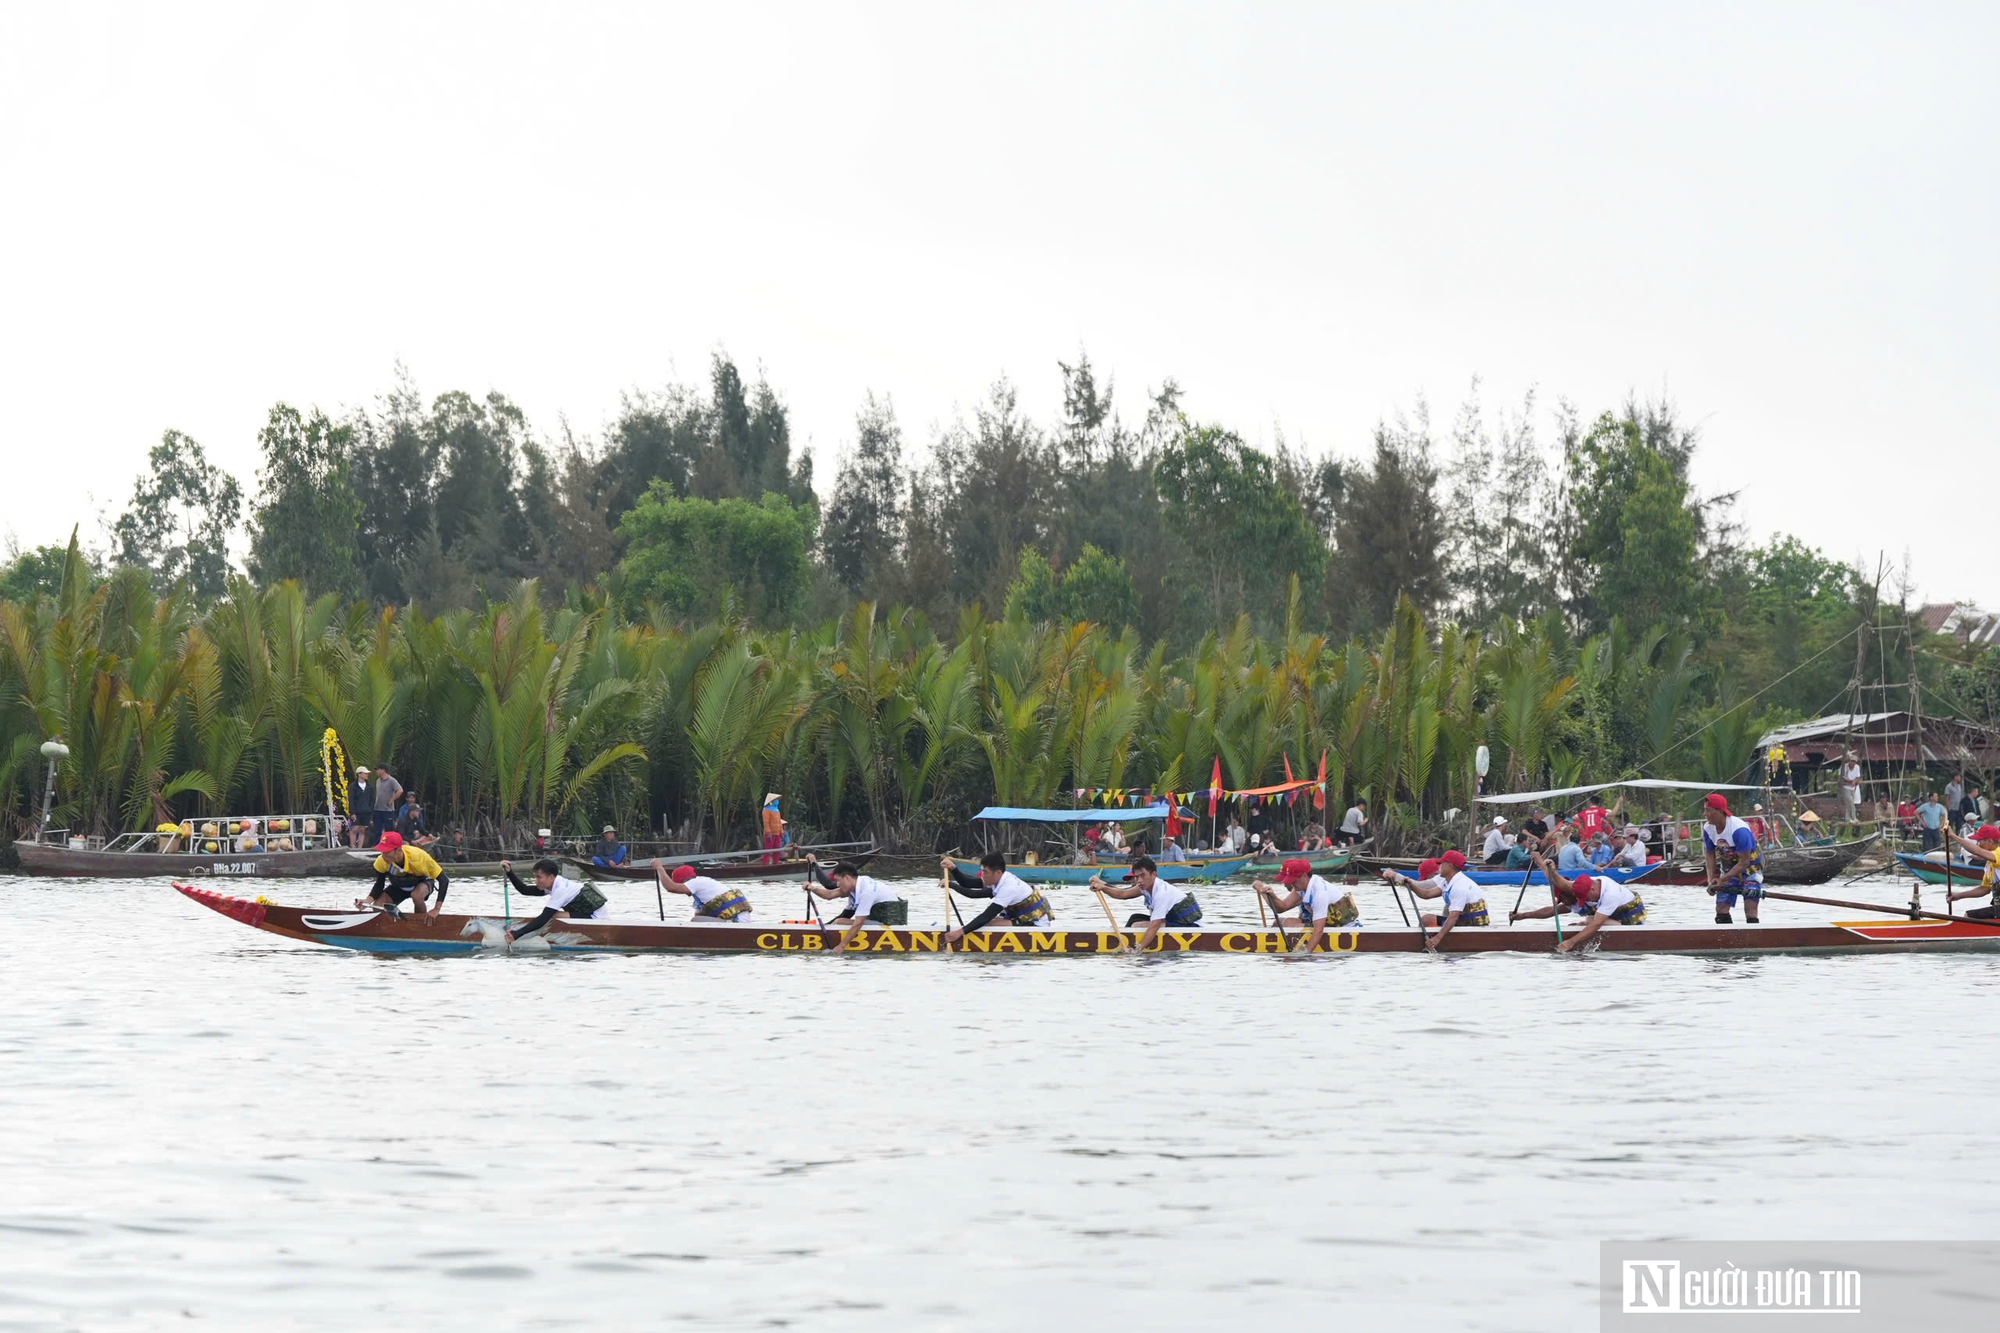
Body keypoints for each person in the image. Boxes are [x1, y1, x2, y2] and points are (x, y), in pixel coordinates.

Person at [1513, 857, 1646, 951]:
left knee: (1589, 920)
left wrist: (1571, 942)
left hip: (1631, 922)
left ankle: (1587, 924)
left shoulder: (1610, 894)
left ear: (1592, 890)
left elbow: (1596, 924)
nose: (1563, 902)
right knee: (1589, 919)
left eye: (1563, 899)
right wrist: (1520, 916)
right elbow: (1552, 908)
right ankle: (1583, 924)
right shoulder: (1580, 887)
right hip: (1610, 916)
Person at [1091, 856, 1201, 950]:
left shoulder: (1161, 893)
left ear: (1153, 875)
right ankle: (1123, 943)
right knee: (1135, 917)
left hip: (1190, 926)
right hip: (1173, 921)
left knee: (1137, 925)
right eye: (1137, 876)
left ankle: (1131, 947)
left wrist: (1137, 951)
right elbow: (1122, 894)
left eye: (1143, 875)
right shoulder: (1144, 886)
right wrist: (1102, 888)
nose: (1139, 880)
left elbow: (1154, 926)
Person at [943, 852, 1055, 943]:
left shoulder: (1008, 888)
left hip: (1036, 924)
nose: (982, 875)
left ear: (997, 872)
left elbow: (985, 916)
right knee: (987, 923)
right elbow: (968, 886)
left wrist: (959, 933)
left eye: (985, 872)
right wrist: (953, 869)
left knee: (989, 923)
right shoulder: (997, 879)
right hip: (1022, 918)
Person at [805, 854, 908, 952]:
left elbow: (858, 923)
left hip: (888, 924)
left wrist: (841, 946)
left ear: (847, 878)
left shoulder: (866, 891)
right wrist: (812, 888)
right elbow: (829, 895)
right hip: (879, 920)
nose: (838, 884)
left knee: (840, 922)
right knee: (840, 920)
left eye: (839, 881)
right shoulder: (856, 885)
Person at [1253, 857, 1359, 952]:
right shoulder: (1302, 886)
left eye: (1293, 881)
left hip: (1342, 928)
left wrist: (1304, 955)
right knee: (1278, 923)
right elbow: (1282, 907)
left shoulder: (1319, 893)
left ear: (1304, 876)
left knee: (1289, 924)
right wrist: (1267, 894)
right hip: (1326, 923)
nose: (1291, 884)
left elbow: (1318, 931)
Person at [499, 857, 609, 942]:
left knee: (550, 916)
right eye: (535, 877)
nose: (536, 881)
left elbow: (543, 918)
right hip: (586, 914)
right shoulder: (553, 884)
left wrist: (516, 934)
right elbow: (525, 890)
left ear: (551, 877)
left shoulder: (560, 890)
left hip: (597, 920)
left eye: (539, 877)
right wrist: (510, 872)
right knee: (550, 915)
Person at [1400, 849, 1488, 947]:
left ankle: (1424, 945)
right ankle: (1422, 943)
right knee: (1426, 920)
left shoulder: (1459, 886)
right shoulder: (1447, 881)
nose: (1439, 867)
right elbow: (1426, 894)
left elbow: (1453, 917)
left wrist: (1438, 937)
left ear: (1450, 866)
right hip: (1463, 919)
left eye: (1441, 863)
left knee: (1427, 919)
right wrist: (1411, 885)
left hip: (1473, 924)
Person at [1701, 793, 1763, 925]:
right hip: (1728, 868)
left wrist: (1722, 879)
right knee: (1721, 908)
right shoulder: (1708, 828)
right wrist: (1711, 880)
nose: (1704, 814)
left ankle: (1752, 939)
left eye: (1708, 810)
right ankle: (1725, 940)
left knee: (1750, 908)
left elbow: (1744, 862)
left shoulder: (1739, 830)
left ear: (1719, 811)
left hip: (1750, 869)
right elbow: (1710, 854)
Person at [355, 831, 448, 918]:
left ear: (398, 850)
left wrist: (436, 909)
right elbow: (379, 884)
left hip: (422, 882)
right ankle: (394, 925)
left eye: (387, 852)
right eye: (382, 851)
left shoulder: (419, 857)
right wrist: (366, 902)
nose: (383, 855)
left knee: (416, 896)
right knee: (377, 906)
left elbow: (444, 879)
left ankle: (421, 925)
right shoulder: (381, 861)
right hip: (399, 885)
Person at [653, 859, 756, 923]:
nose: (685, 893)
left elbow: (671, 887)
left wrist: (659, 867)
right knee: (696, 919)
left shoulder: (696, 882)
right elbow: (699, 915)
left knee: (696, 921)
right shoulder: (705, 889)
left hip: (737, 922)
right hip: (738, 921)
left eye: (683, 886)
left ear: (685, 881)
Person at [1941, 824, 2000, 918]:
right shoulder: (1990, 864)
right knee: (1969, 916)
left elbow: (1976, 851)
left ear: (1989, 841)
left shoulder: (1999, 854)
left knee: (1969, 916)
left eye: (1979, 841)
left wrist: (1953, 836)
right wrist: (1958, 896)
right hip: (1998, 907)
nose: (1977, 844)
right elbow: (1984, 889)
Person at [371, 767, 404, 842]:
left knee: (389, 829)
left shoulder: (391, 780)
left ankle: (390, 845)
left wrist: (393, 798)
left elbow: (400, 790)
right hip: (377, 808)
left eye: (378, 770)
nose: (376, 771)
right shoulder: (378, 781)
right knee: (377, 829)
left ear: (383, 770)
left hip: (387, 809)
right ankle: (377, 845)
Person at [347, 766, 374, 847]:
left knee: (363, 829)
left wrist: (370, 810)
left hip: (366, 812)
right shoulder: (353, 786)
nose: (367, 775)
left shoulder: (369, 787)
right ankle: (353, 846)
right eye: (365, 773)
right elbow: (351, 800)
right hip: (356, 811)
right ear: (359, 774)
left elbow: (372, 799)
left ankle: (360, 847)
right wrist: (352, 812)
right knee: (354, 829)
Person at [761, 793, 787, 866]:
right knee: (768, 849)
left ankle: (776, 862)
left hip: (777, 833)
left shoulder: (777, 810)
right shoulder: (766, 810)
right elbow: (766, 822)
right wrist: (768, 832)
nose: (777, 801)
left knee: (777, 849)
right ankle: (765, 863)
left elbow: (779, 822)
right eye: (775, 800)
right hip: (770, 833)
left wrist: (781, 832)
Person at [1840, 755, 1863, 820]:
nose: (1853, 763)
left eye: (1854, 762)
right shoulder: (1845, 767)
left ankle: (1848, 819)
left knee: (1849, 804)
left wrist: (1854, 781)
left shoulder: (1857, 767)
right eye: (1852, 761)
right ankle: (1854, 817)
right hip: (1846, 787)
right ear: (1849, 761)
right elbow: (1843, 777)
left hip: (1853, 788)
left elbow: (1858, 777)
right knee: (1851, 803)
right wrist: (1851, 781)